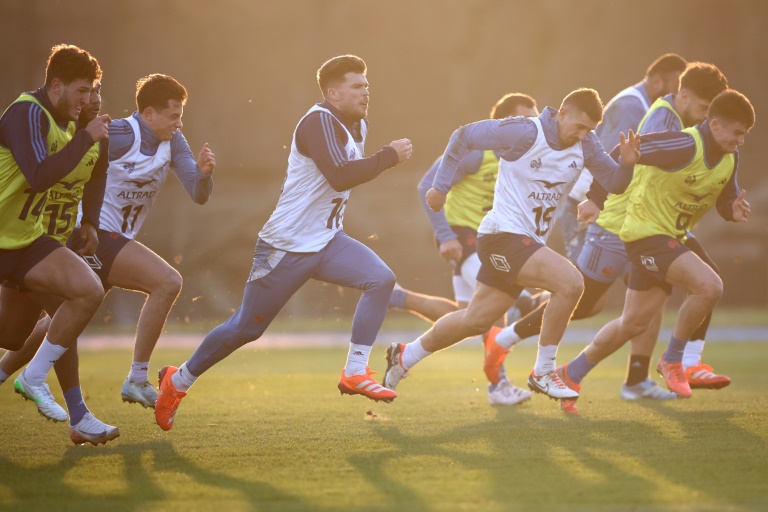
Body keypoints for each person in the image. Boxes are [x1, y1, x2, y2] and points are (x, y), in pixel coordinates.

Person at [154, 54, 413, 431]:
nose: (366, 93)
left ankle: (355, 371)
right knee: (246, 328)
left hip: (325, 241)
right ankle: (177, 382)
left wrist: (381, 157)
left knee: (380, 278)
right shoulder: (317, 121)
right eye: (357, 86)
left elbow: (345, 176)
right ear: (333, 92)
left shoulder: (357, 125)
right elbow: (340, 176)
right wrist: (388, 156)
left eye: (367, 86)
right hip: (286, 246)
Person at [491, 62, 729, 412]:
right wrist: (595, 200)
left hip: (649, 224)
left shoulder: (680, 119)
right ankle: (506, 338)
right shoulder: (644, 111)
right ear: (679, 90)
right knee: (585, 299)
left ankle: (627, 378)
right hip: (617, 221)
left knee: (641, 314)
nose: (707, 119)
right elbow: (608, 154)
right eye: (705, 110)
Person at [383, 88, 640, 402]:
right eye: (579, 126)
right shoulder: (523, 130)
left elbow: (615, 183)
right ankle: (544, 372)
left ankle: (404, 357)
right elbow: (463, 136)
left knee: (474, 319)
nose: (582, 134)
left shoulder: (586, 144)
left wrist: (626, 164)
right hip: (502, 236)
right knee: (571, 283)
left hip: (523, 243)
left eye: (589, 129)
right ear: (563, 113)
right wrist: (440, 186)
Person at [0, 74, 216, 419]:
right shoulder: (118, 134)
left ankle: (4, 372)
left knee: (57, 322)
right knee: (167, 282)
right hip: (93, 235)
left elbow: (198, 194)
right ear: (148, 113)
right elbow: (65, 165)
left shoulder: (174, 142)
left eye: (181, 115)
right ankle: (136, 377)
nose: (179, 122)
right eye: (173, 115)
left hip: (114, 240)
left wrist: (204, 174)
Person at [556, 89, 754, 406]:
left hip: (671, 236)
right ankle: (674, 360)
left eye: (745, 135)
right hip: (645, 234)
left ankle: (570, 373)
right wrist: (595, 199)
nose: (741, 140)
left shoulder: (730, 156)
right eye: (737, 133)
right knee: (709, 285)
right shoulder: (684, 143)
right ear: (715, 125)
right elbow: (624, 152)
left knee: (632, 323)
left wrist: (733, 209)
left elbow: (726, 197)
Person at [389, 93, 540, 406]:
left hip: (492, 238)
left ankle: (398, 298)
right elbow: (426, 186)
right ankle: (499, 386)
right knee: (499, 306)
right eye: (527, 121)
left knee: (469, 317)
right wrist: (445, 235)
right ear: (506, 124)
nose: (534, 128)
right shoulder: (475, 154)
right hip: (465, 238)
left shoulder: (524, 158)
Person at [0, 80, 118, 445]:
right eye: (85, 93)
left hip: (41, 243)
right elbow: (41, 173)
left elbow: (97, 177)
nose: (92, 101)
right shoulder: (41, 121)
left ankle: (75, 413)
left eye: (97, 93)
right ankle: (63, 403)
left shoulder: (89, 134)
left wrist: (90, 223)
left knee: (70, 312)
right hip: (21, 237)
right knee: (14, 333)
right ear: (61, 90)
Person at [559, 53, 687, 264]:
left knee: (600, 284)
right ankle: (537, 299)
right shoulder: (632, 107)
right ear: (656, 82)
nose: (679, 95)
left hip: (608, 206)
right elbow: (608, 158)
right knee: (578, 286)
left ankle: (541, 298)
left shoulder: (649, 107)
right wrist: (596, 200)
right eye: (677, 87)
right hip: (586, 203)